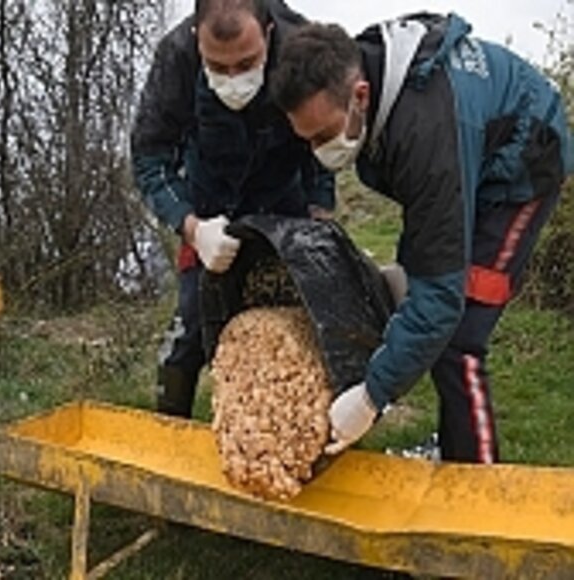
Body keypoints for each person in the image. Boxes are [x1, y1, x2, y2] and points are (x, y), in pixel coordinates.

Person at [269, 14, 572, 463]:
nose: (319, 151)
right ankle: (454, 448)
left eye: (324, 135)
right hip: (469, 150)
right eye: (307, 140)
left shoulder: (426, 132)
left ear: (360, 96)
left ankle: (477, 484)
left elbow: (441, 302)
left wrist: (371, 397)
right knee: (427, 294)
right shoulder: (363, 73)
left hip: (524, 165)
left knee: (459, 336)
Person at [130, 0, 334, 418]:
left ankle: (296, 427)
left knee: (300, 323)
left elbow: (321, 142)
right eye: (217, 67)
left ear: (269, 33)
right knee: (191, 323)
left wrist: (320, 217)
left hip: (283, 199)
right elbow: (149, 157)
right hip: (208, 203)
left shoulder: (303, 48)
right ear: (195, 39)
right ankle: (169, 435)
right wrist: (191, 226)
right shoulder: (175, 59)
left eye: (246, 63)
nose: (233, 79)